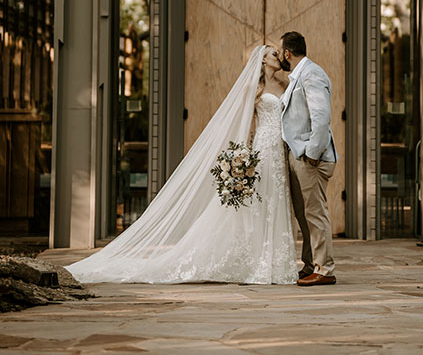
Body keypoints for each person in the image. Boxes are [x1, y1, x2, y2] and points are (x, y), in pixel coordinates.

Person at [66, 46, 298, 285]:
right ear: (261, 61)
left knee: (276, 201)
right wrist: (243, 156)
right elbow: (245, 124)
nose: (278, 57)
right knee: (256, 204)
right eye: (272, 54)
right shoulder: (254, 88)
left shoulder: (284, 86)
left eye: (278, 53)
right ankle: (256, 261)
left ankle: (274, 263)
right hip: (261, 149)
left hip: (279, 152)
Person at [279, 31, 337, 286]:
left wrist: (312, 153)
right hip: (298, 155)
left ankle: (325, 269)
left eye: (280, 51)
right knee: (304, 215)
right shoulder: (298, 76)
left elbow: (321, 117)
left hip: (309, 157)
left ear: (287, 53)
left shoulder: (311, 73)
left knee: (315, 213)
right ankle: (310, 264)